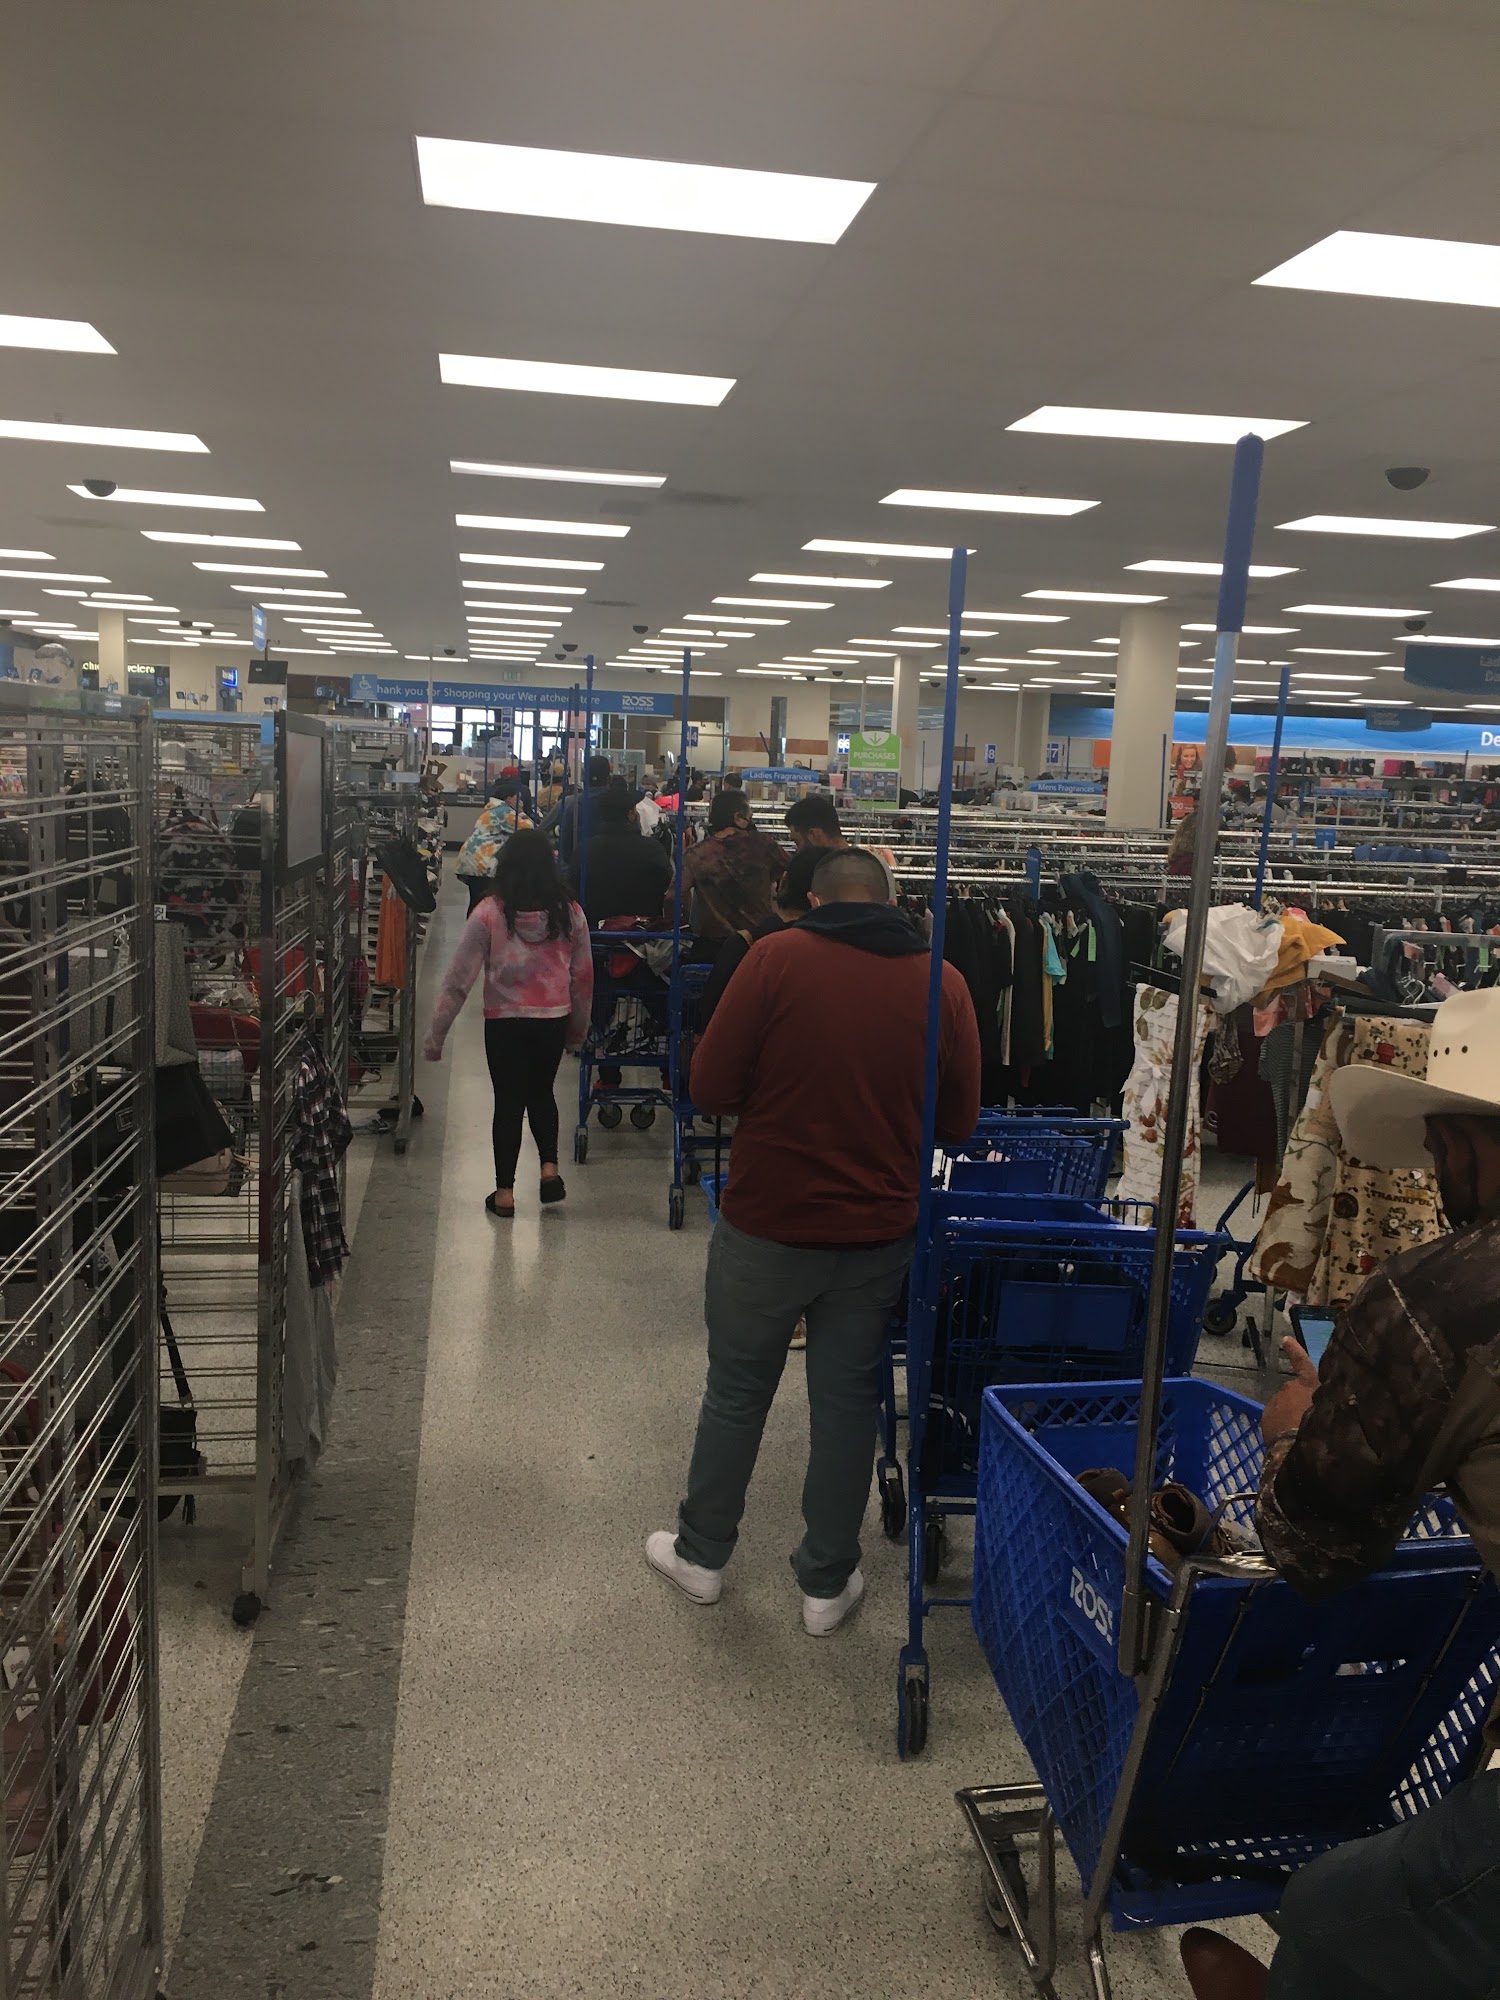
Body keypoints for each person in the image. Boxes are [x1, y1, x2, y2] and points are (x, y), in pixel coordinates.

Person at [1179, 987, 1500, 2000]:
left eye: (1441, 1145)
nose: (1436, 1170)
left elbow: (1311, 1549)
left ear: (1466, 1141)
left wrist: (1295, 1425)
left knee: (1330, 1909)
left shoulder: (1443, 1294)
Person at [646, 847, 981, 1633]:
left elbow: (710, 1088)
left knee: (736, 1392)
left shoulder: (773, 961)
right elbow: (959, 1123)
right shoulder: (944, 983)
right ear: (892, 902)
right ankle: (827, 1585)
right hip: (876, 1232)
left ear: (814, 901)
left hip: (769, 1220)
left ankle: (701, 1557)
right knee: (846, 1403)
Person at [423, 829, 592, 1217]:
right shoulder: (570, 913)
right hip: (552, 1019)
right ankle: (549, 1171)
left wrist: (436, 1037)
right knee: (542, 1093)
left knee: (509, 1101)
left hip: (504, 1022)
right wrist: (577, 1031)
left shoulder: (489, 913)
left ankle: (504, 1194)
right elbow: (583, 978)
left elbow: (457, 980)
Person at [681, 789, 787, 943]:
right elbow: (792, 874)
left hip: (713, 942)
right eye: (750, 816)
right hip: (758, 940)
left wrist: (685, 925)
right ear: (738, 818)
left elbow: (673, 897)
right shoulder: (763, 845)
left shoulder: (696, 853)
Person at [570, 781, 672, 926]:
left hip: (596, 929)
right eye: (635, 810)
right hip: (642, 930)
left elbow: (573, 887)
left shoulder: (585, 850)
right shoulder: (652, 849)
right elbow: (667, 883)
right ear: (630, 815)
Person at [781, 791, 896, 906]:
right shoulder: (875, 865)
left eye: (797, 842)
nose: (797, 850)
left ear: (814, 835)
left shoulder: (815, 875)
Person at [456, 778, 533, 913]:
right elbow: (528, 828)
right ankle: (478, 926)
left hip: (473, 860)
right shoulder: (504, 811)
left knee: (476, 901)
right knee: (482, 903)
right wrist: (521, 812)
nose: (520, 801)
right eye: (517, 798)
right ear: (509, 799)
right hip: (483, 863)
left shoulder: (492, 809)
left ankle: (473, 925)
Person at [542, 754, 613, 869]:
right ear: (609, 778)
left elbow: (562, 845)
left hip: (576, 869)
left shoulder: (569, 804)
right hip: (613, 869)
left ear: (583, 778)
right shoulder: (622, 804)